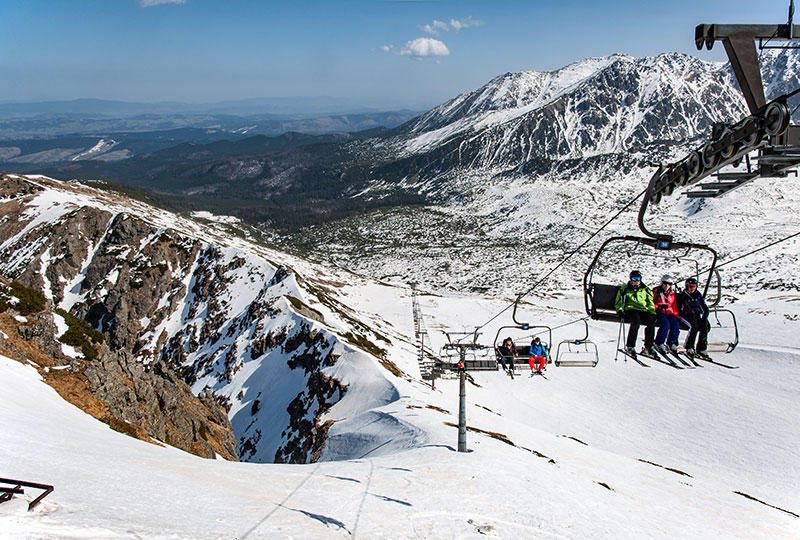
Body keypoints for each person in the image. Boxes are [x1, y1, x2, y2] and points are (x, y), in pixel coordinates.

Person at [615, 270, 656, 355]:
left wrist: (652, 312)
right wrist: (619, 311)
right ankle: (630, 346)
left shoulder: (645, 289)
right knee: (636, 322)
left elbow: (650, 302)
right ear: (630, 279)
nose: (636, 281)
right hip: (631, 309)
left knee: (651, 322)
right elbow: (618, 301)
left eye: (638, 279)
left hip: (643, 310)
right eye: (634, 278)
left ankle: (649, 346)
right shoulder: (625, 289)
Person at [678, 277, 710, 357]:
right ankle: (689, 347)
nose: (691, 288)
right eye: (690, 286)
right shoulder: (683, 295)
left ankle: (702, 348)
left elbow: (704, 306)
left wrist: (704, 317)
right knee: (694, 327)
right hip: (686, 316)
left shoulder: (698, 295)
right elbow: (680, 308)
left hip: (696, 315)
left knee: (705, 326)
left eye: (693, 286)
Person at [653, 274, 681, 353]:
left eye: (669, 284)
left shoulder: (671, 294)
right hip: (660, 312)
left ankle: (672, 342)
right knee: (665, 324)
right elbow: (651, 302)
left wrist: (676, 315)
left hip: (669, 313)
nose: (666, 286)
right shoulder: (656, 291)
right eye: (664, 283)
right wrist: (658, 307)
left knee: (675, 324)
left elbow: (674, 305)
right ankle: (659, 342)